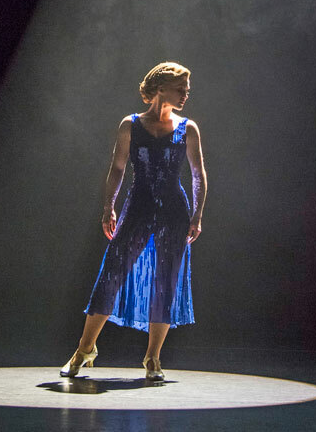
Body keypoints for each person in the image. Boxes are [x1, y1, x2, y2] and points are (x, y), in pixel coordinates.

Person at [60, 62, 207, 381]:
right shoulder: (131, 124)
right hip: (138, 205)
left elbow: (197, 175)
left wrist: (197, 214)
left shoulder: (188, 128)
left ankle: (152, 359)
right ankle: (85, 349)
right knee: (112, 273)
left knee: (165, 281)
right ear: (161, 88)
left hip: (173, 210)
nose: (185, 94)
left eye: (187, 90)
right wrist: (108, 206)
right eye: (180, 88)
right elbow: (117, 168)